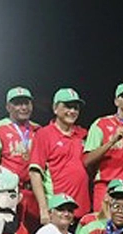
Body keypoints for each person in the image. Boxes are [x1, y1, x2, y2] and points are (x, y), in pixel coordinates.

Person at [0, 86, 41, 234]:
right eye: (17, 103)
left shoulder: (38, 129)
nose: (23, 107)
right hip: (6, 194)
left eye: (26, 103)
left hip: (32, 193)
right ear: (8, 107)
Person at [83, 82, 123, 209]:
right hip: (106, 186)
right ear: (116, 101)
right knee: (102, 226)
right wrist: (112, 142)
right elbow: (87, 160)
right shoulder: (101, 124)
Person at [28, 88, 90, 221]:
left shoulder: (83, 134)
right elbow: (35, 172)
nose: (72, 111)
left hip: (82, 210)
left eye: (76, 108)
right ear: (55, 108)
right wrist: (44, 209)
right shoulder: (44, 134)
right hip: (57, 210)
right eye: (67, 106)